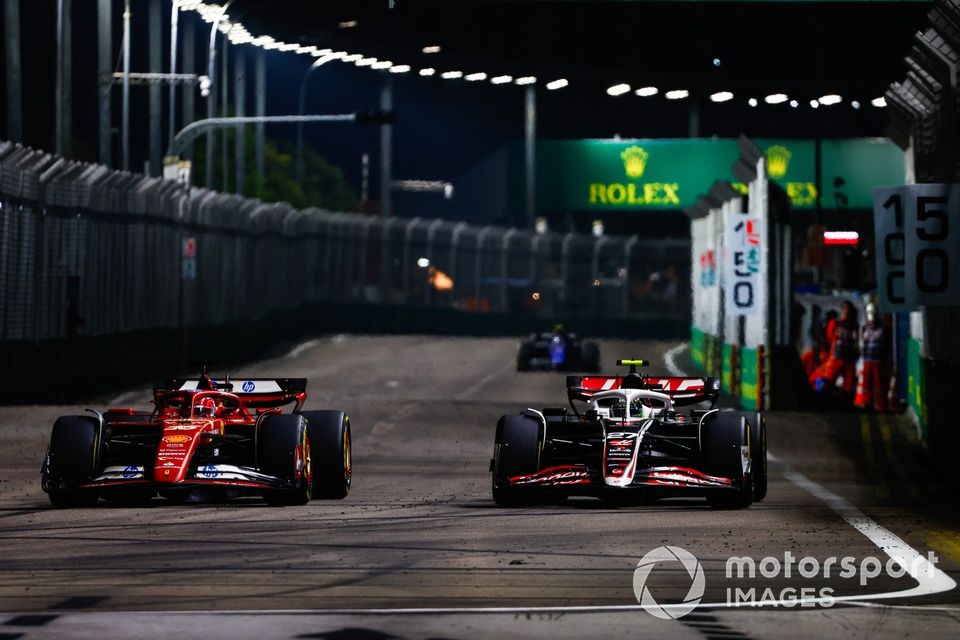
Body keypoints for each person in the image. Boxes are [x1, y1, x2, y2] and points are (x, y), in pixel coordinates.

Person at [809, 301, 859, 399]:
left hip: (849, 358)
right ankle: (820, 395)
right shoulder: (835, 323)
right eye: (844, 308)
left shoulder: (854, 326)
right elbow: (830, 337)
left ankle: (845, 400)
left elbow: (856, 341)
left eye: (848, 309)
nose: (846, 311)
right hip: (836, 356)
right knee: (828, 377)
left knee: (849, 382)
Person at [855, 303, 888, 411]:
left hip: (878, 359)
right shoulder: (864, 328)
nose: (872, 315)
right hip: (867, 359)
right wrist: (861, 360)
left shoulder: (882, 327)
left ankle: (881, 404)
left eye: (873, 312)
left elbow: (886, 343)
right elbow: (861, 344)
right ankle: (867, 403)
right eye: (870, 312)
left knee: (879, 382)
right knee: (867, 382)